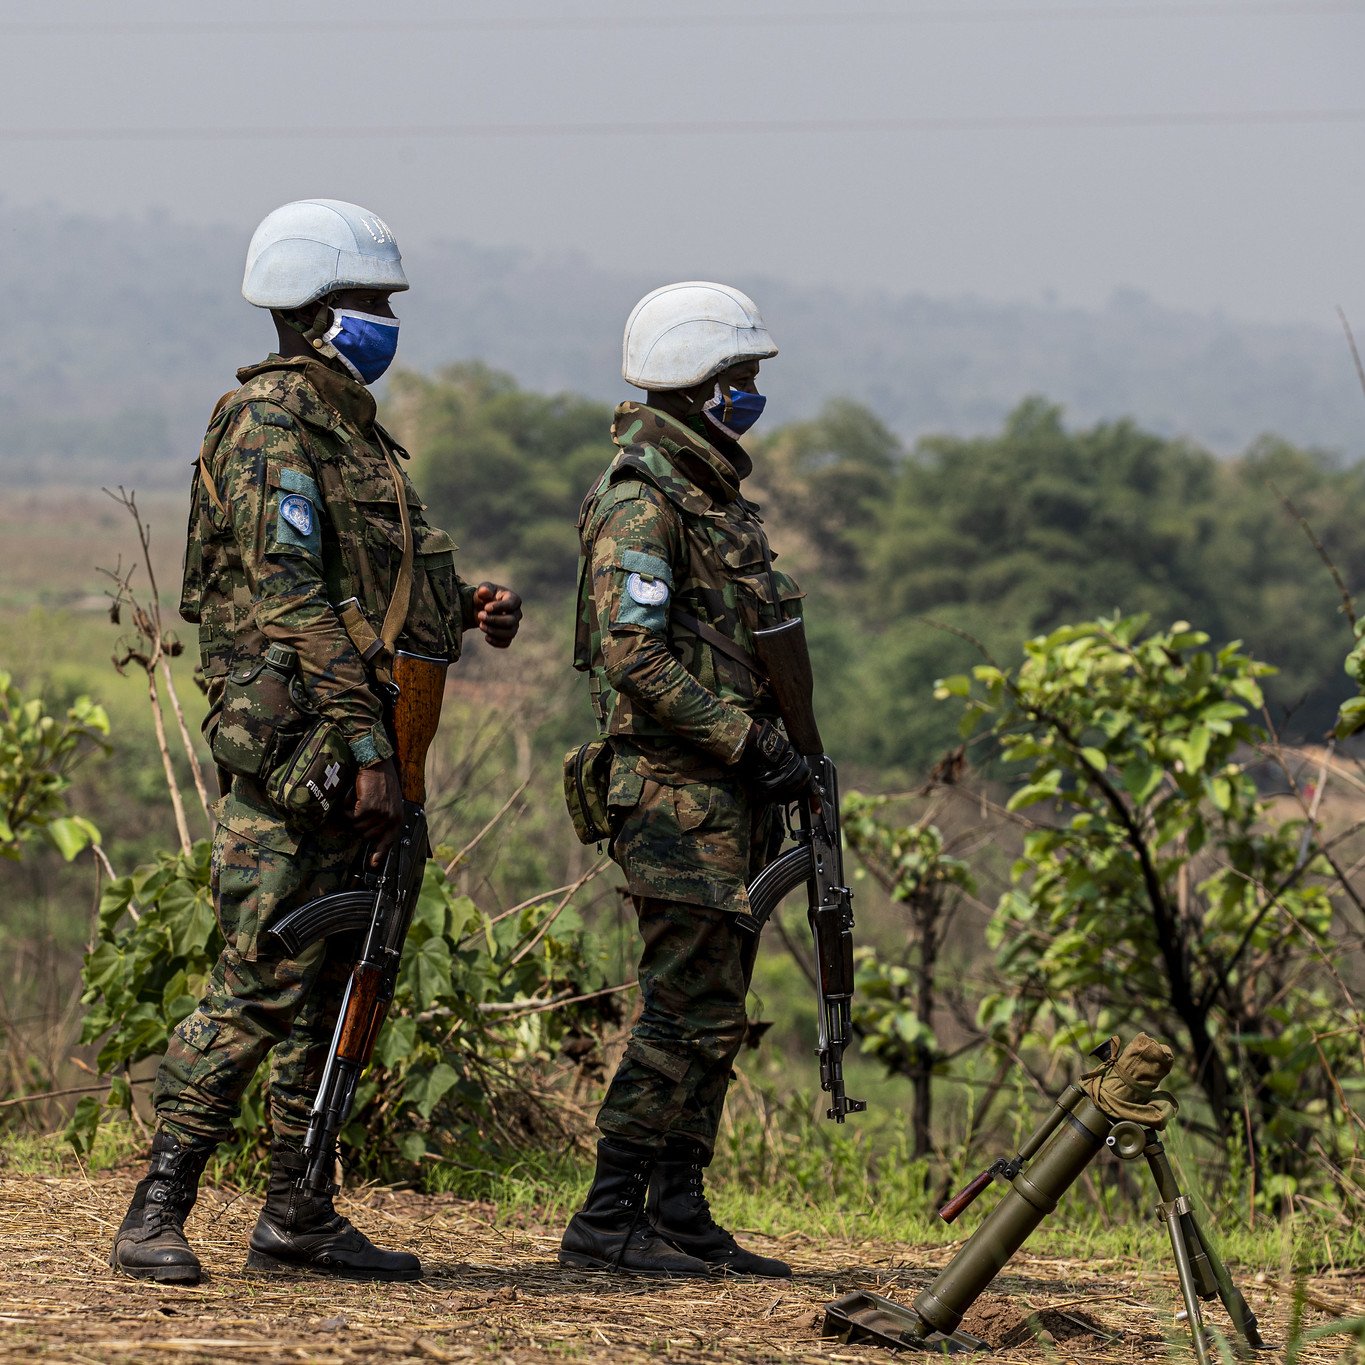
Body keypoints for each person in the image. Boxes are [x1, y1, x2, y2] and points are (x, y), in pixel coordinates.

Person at [110, 199, 522, 1286]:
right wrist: (363, 747)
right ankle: (156, 1211)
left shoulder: (352, 430)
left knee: (346, 981)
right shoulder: (270, 426)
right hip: (307, 754)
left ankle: (300, 1209)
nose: (388, 320)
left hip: (372, 742)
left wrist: (463, 604)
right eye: (372, 304)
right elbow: (290, 599)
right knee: (260, 977)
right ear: (317, 311)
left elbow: (371, 584)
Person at [560, 282, 812, 1278]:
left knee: (715, 1010)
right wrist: (747, 741)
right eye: (739, 378)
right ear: (700, 387)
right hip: (674, 796)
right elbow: (634, 655)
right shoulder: (642, 500)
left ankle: (678, 1209)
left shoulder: (706, 496)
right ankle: (609, 1218)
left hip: (723, 798)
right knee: (683, 1010)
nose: (751, 397)